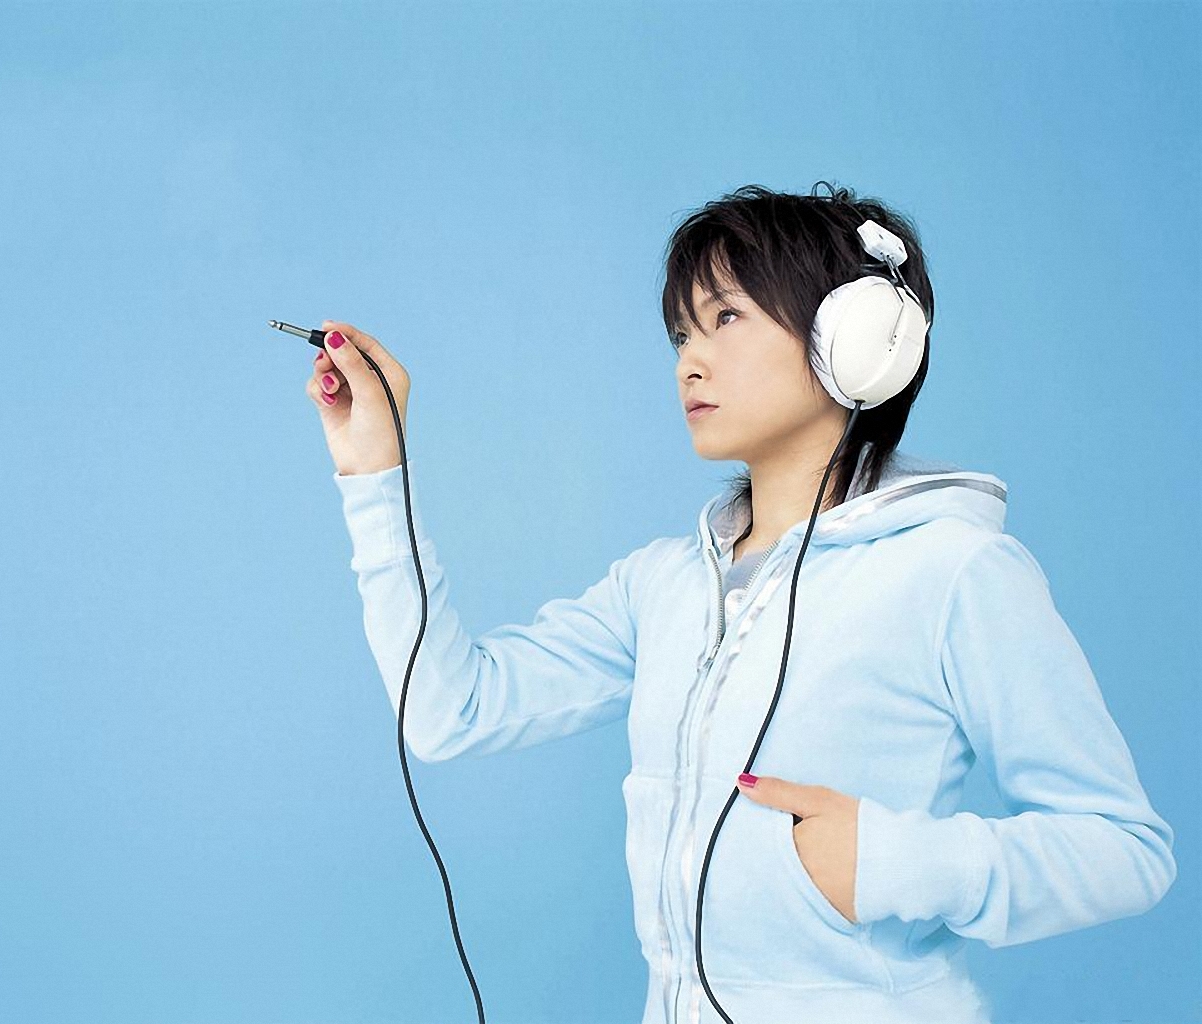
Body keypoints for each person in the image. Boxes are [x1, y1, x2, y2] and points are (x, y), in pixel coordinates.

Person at [306, 182, 1177, 1024]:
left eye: (725, 318)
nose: (690, 359)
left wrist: (891, 860)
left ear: (853, 341)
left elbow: (1123, 849)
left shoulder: (956, 571)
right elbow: (446, 710)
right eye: (681, 332)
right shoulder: (662, 585)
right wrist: (375, 472)